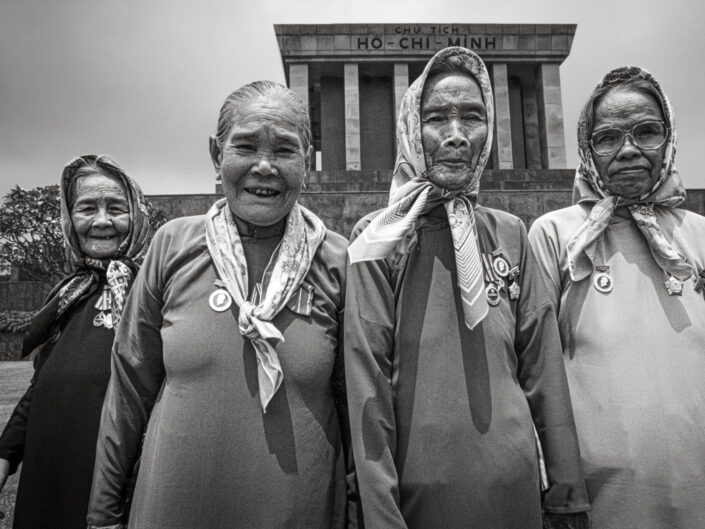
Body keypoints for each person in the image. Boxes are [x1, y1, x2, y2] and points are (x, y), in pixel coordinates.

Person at [87, 81, 355, 529]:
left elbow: (354, 407)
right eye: (245, 146)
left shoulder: (337, 260)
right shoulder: (173, 245)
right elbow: (129, 389)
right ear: (217, 155)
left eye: (285, 150)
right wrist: (103, 514)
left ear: (307, 160)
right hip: (172, 510)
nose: (264, 167)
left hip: (300, 512)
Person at [345, 46, 589, 529]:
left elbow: (543, 371)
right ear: (412, 130)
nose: (457, 136)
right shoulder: (377, 241)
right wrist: (379, 514)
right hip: (418, 501)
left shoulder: (511, 233)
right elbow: (365, 387)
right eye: (437, 118)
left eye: (472, 118)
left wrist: (565, 496)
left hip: (516, 494)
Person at [528, 66, 705, 528]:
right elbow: (536, 370)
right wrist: (559, 491)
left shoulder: (700, 235)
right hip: (601, 497)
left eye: (647, 132)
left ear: (668, 140)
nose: (628, 150)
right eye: (608, 138)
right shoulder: (556, 234)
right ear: (587, 148)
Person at [0, 155, 150, 529]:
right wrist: (5, 454)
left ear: (136, 214)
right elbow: (43, 383)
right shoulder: (67, 293)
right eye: (87, 208)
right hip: (47, 475)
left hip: (115, 481)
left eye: (116, 208)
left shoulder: (155, 290)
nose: (101, 221)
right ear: (70, 218)